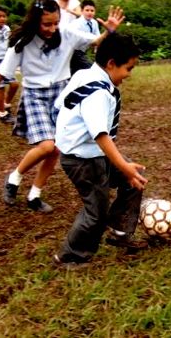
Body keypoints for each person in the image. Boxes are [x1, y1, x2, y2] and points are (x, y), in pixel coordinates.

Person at [0, 0, 125, 213]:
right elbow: (1, 72)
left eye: (55, 23)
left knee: (57, 148)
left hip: (60, 93)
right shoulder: (23, 43)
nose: (52, 28)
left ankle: (34, 194)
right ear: (34, 21)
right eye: (46, 24)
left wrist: (110, 31)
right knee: (47, 146)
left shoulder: (66, 34)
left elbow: (96, 42)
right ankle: (14, 178)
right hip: (35, 95)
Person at [53, 32, 148, 268]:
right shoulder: (98, 92)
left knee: (133, 182)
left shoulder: (85, 74)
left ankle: (120, 232)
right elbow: (100, 135)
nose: (129, 75)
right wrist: (123, 165)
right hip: (83, 159)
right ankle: (70, 256)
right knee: (96, 210)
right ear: (111, 64)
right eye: (129, 68)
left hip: (93, 152)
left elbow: (60, 104)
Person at [68, 0, 100, 74]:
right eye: (87, 10)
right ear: (82, 11)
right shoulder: (76, 24)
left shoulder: (94, 23)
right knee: (91, 69)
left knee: (75, 73)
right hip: (73, 52)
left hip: (83, 51)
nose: (89, 13)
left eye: (92, 11)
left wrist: (96, 49)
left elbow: (98, 37)